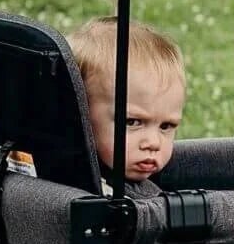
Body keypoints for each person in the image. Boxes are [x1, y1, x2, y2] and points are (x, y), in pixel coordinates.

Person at [69, 17, 185, 197]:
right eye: (132, 122)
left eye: (166, 126)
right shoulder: (98, 193)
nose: (153, 143)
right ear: (80, 111)